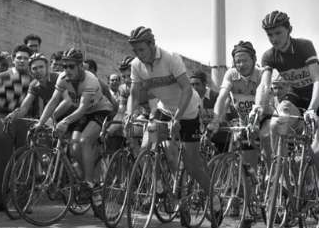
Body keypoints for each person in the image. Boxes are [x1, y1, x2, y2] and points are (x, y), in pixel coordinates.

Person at [251, 10, 319, 226]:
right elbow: (264, 85)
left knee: (317, 149)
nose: (274, 39)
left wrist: (312, 109)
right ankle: (279, 177)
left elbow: (317, 80)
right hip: (296, 97)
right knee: (276, 122)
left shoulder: (304, 46)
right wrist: (258, 106)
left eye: (278, 33)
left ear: (289, 30)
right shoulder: (269, 55)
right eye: (270, 35)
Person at [126, 26, 210, 197]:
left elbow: (187, 89)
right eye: (135, 51)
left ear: (152, 44)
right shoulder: (136, 65)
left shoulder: (171, 58)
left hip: (187, 110)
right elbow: (134, 94)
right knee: (146, 149)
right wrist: (129, 115)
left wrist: (177, 118)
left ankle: (213, 197)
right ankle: (159, 190)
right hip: (164, 109)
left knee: (192, 166)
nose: (139, 54)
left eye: (141, 49)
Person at [35, 49, 113, 207]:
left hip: (99, 110)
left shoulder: (90, 80)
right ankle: (90, 180)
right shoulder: (63, 78)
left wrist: (65, 121)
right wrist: (40, 123)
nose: (67, 70)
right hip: (83, 112)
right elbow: (53, 101)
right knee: (74, 147)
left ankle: (89, 183)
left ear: (80, 66)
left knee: (84, 140)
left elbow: (83, 107)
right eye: (64, 66)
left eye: (71, 66)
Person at [0, 44, 32, 209]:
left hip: (26, 122)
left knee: (25, 161)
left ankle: (22, 202)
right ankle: (0, 201)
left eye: (25, 58)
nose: (22, 61)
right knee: (2, 161)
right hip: (4, 120)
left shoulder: (33, 79)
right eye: (19, 57)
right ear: (13, 59)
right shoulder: (2, 76)